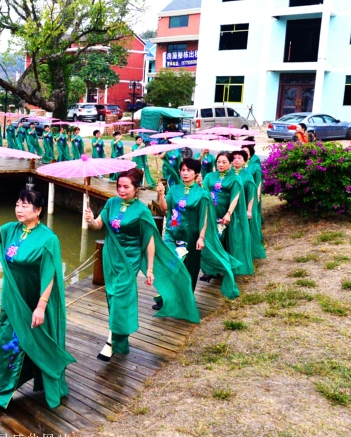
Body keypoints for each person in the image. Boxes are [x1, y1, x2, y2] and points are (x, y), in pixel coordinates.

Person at [0, 190, 76, 416]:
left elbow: (50, 274)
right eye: (17, 204)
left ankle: (52, 383)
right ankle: (3, 395)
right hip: (13, 300)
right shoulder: (12, 229)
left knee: (39, 343)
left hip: (36, 301)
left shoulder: (49, 239)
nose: (19, 209)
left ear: (38, 211)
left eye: (25, 206)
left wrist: (41, 306)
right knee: (8, 344)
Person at [84, 169, 199, 361]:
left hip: (130, 259)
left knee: (120, 296)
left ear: (136, 189)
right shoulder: (111, 203)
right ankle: (121, 338)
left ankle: (111, 341)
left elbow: (150, 241)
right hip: (110, 257)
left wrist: (150, 268)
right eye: (119, 186)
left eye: (126, 187)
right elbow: (98, 225)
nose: (121, 190)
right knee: (112, 296)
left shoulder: (142, 211)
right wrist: (90, 220)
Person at [156, 159, 241, 301]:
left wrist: (201, 237)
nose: (185, 173)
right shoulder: (175, 189)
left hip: (191, 236)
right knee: (170, 262)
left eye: (189, 170)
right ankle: (166, 297)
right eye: (183, 170)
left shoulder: (202, 194)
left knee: (191, 268)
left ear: (196, 173)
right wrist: (161, 194)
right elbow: (164, 208)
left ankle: (185, 297)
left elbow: (204, 218)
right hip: (172, 232)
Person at [201, 152, 254, 276]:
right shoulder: (209, 176)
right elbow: (204, 192)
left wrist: (229, 213)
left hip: (226, 213)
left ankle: (227, 267)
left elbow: (235, 197)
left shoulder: (235, 178)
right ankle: (211, 269)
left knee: (225, 239)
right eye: (218, 161)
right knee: (211, 239)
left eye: (224, 162)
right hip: (211, 212)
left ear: (230, 163)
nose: (220, 164)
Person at [231, 151, 266, 261]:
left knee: (241, 232)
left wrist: (249, 210)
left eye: (239, 158)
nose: (236, 160)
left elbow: (251, 194)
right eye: (234, 158)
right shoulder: (228, 174)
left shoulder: (247, 176)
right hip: (229, 208)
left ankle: (245, 255)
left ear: (244, 161)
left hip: (243, 206)